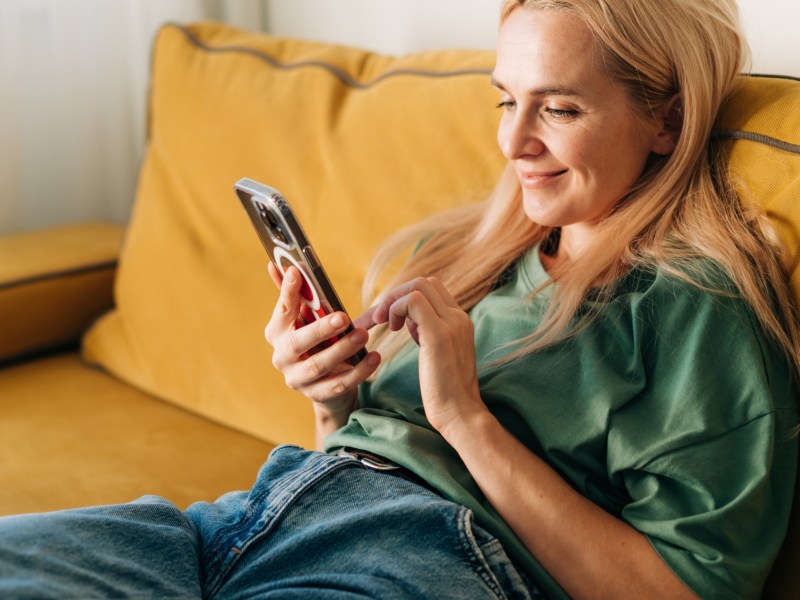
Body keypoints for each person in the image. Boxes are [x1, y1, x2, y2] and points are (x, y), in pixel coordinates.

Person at [1, 0, 798, 598]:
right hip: (253, 514)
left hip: (425, 558)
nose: (513, 143)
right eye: (505, 99)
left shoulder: (694, 308)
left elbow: (687, 589)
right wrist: (333, 395)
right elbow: (360, 444)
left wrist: (466, 417)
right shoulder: (466, 253)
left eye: (558, 108)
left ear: (668, 120)